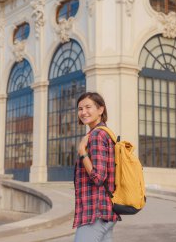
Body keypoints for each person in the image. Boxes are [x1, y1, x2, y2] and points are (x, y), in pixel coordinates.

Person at [73, 92, 119, 242]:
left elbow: (98, 177)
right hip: (105, 210)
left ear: (100, 110)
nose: (83, 112)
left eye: (88, 107)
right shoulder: (104, 133)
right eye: (80, 108)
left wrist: (82, 152)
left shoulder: (97, 135)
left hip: (96, 212)